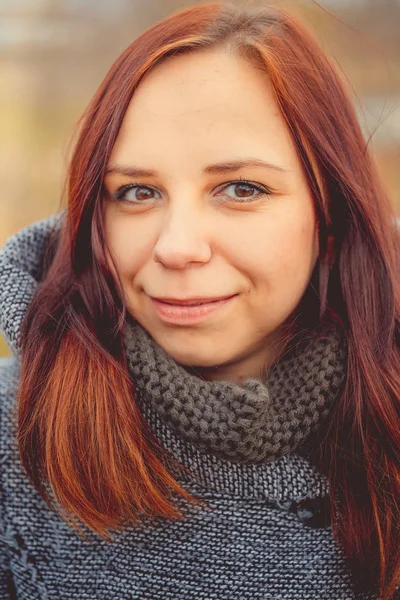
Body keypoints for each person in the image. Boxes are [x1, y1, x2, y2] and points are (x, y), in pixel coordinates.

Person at [0, 1, 399, 598]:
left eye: (241, 188)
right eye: (136, 192)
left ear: (331, 215)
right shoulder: (17, 444)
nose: (177, 247)